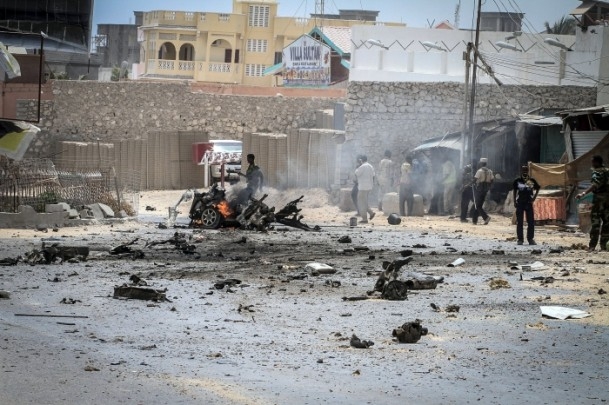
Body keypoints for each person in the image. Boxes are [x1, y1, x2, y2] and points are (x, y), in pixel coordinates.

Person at [576, 155, 609, 252]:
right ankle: (604, 246)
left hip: (599, 200)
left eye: (593, 162)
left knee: (596, 223)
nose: (592, 164)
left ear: (597, 162)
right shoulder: (607, 171)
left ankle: (592, 246)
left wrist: (583, 193)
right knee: (607, 223)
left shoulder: (597, 172)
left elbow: (595, 185)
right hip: (608, 201)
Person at [513, 165, 540, 245]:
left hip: (528, 203)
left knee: (531, 222)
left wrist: (534, 198)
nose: (524, 172)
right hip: (520, 203)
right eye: (523, 170)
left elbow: (538, 188)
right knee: (520, 222)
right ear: (521, 171)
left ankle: (530, 239)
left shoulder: (531, 181)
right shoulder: (518, 181)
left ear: (528, 171)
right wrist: (514, 201)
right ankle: (520, 239)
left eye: (526, 170)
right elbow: (514, 191)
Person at [470, 158, 493, 225]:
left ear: (481, 163)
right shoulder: (490, 171)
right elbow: (492, 180)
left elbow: (474, 180)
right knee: (478, 204)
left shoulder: (479, 171)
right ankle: (474, 220)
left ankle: (486, 217)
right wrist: (489, 187)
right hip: (486, 189)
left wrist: (468, 184)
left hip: (480, 189)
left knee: (477, 205)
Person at [354, 154, 376, 223]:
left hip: (362, 187)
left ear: (361, 160)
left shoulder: (362, 166)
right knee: (364, 202)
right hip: (369, 187)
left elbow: (357, 173)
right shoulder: (370, 166)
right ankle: (371, 213)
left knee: (361, 203)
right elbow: (373, 175)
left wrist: (357, 167)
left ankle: (364, 219)